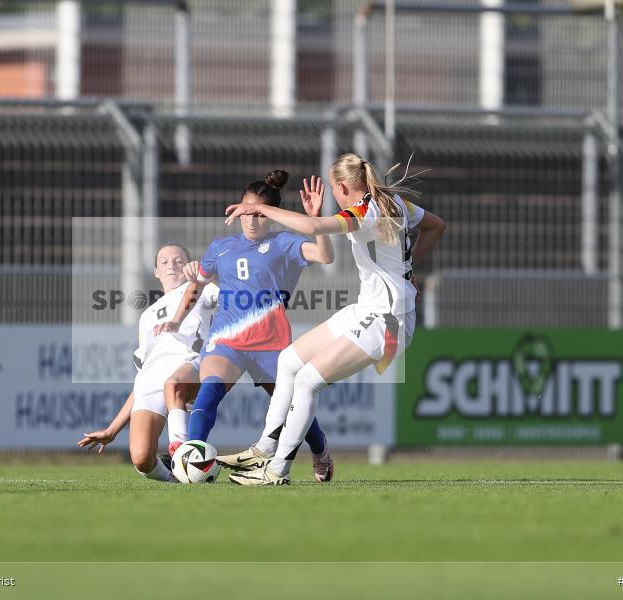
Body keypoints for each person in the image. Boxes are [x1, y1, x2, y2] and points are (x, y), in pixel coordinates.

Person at [220, 153, 446, 485]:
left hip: (388, 320)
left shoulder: (364, 212)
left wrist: (261, 208)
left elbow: (312, 227)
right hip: (368, 309)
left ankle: (277, 470)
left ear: (341, 186)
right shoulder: (395, 202)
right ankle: (264, 449)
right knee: (288, 360)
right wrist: (407, 270)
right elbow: (436, 225)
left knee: (308, 380)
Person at [156, 170, 337, 482]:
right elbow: (196, 283)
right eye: (246, 212)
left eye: (259, 215)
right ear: (236, 210)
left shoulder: (283, 243)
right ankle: (192, 458)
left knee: (294, 410)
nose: (252, 221)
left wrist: (317, 221)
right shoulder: (221, 247)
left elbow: (324, 255)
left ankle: (320, 450)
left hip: (271, 342)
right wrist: (175, 320)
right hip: (227, 341)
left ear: (271, 216)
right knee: (207, 394)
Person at [77, 243, 218, 482]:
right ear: (156, 272)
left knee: (173, 385)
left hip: (188, 365)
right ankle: (177, 478)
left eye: (179, 261)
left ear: (188, 267)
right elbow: (143, 377)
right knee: (142, 459)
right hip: (152, 382)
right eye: (164, 262)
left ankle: (180, 451)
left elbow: (230, 290)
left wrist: (209, 272)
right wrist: (112, 429)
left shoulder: (201, 290)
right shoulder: (146, 317)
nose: (171, 266)